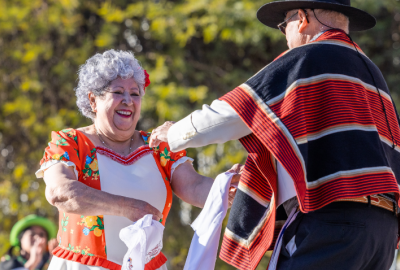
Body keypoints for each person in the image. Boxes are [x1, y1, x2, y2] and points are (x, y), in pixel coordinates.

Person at [149, 0, 400, 269]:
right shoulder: (373, 74)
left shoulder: (308, 57)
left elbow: (233, 113)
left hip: (333, 224)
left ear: (302, 18)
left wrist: (172, 133)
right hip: (383, 231)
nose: (285, 38)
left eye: (284, 26)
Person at [35, 50, 240, 270]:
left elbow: (194, 185)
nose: (128, 101)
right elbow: (60, 193)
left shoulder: (157, 146)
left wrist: (231, 187)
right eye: (118, 92)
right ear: (93, 100)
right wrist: (127, 207)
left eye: (135, 94)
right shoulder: (72, 143)